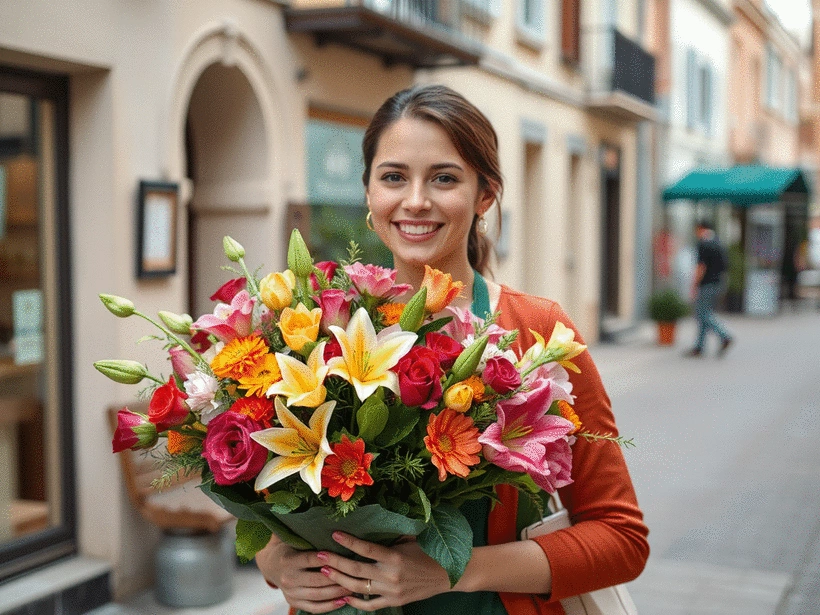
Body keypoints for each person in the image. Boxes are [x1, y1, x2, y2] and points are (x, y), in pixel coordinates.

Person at [255, 85, 649, 614]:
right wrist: (276, 564)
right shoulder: (316, 326)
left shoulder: (537, 332)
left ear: (485, 195)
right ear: (368, 192)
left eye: (444, 178)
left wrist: (452, 569)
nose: (416, 200)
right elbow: (270, 512)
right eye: (393, 177)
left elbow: (621, 538)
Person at [687, 220, 732, 357]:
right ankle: (699, 347)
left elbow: (701, 267)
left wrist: (694, 285)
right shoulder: (718, 242)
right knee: (704, 314)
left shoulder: (704, 244)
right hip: (718, 282)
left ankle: (724, 336)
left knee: (702, 314)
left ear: (700, 228)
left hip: (706, 284)